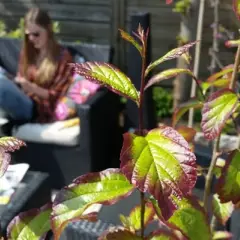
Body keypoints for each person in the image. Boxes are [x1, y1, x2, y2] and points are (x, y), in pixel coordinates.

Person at [0, 7, 73, 123]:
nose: (31, 39)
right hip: (21, 98)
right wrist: (17, 82)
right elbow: (20, 79)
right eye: (28, 35)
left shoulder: (62, 57)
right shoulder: (28, 53)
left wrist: (31, 87)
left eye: (36, 34)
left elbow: (59, 96)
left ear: (48, 30)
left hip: (38, 109)